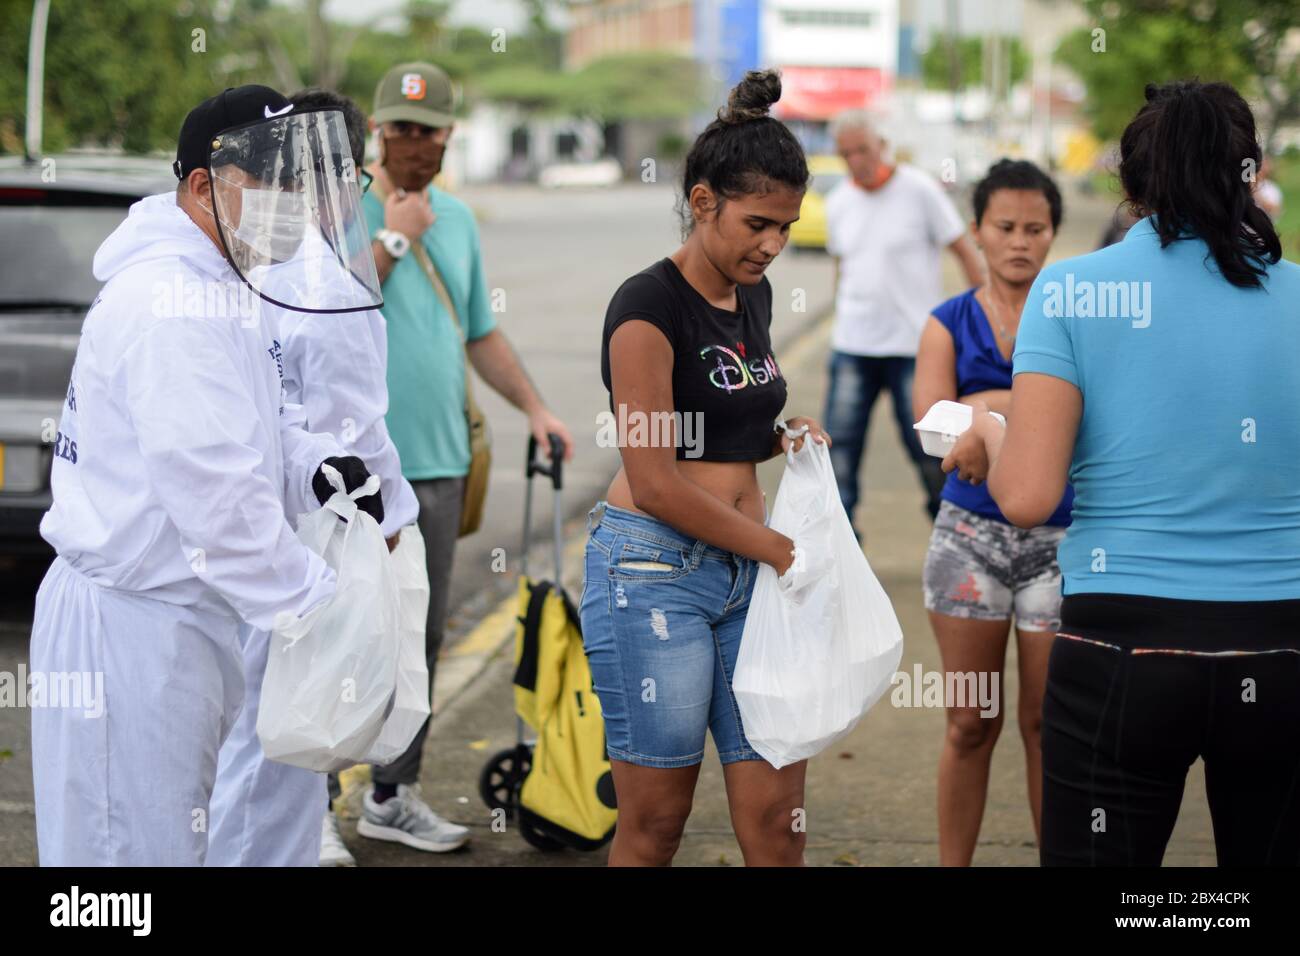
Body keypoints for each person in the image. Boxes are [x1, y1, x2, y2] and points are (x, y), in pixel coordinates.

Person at [943, 80, 1300, 866]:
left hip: (1122, 651)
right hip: (1281, 650)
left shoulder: (1071, 291)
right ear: (1254, 170)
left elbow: (1030, 497)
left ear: (1129, 185)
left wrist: (992, 429)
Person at [29, 85, 383, 866]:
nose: (297, 203)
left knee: (168, 839)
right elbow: (216, 492)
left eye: (304, 183)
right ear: (203, 187)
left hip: (179, 620)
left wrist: (315, 468)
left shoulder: (222, 280)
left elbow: (252, 427)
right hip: (135, 626)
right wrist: (320, 606)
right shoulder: (172, 302)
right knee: (125, 857)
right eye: (278, 184)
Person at [580, 69, 830, 867]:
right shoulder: (645, 309)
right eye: (759, 223)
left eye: (786, 227)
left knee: (776, 814)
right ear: (701, 202)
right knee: (655, 823)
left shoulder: (751, 293)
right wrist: (781, 551)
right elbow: (655, 478)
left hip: (748, 575)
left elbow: (728, 431)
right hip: (654, 575)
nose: (773, 244)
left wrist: (785, 434)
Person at [349, 61, 575, 853]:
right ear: (377, 132)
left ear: (448, 136)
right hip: (347, 473)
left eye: (424, 129)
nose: (409, 142)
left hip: (439, 465)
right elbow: (328, 308)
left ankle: (392, 792)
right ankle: (302, 806)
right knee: (335, 634)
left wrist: (537, 408)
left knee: (419, 639)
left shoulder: (462, 221)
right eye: (396, 128)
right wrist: (392, 240)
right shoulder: (341, 208)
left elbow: (479, 331)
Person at [206, 88, 422, 868]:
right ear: (336, 179)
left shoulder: (240, 270)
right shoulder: (327, 289)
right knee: (283, 746)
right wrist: (394, 529)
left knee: (249, 737)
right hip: (314, 542)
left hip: (248, 541)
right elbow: (353, 444)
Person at [913, 159, 1073, 866]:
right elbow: (932, 431)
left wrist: (981, 411)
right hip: (969, 545)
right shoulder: (946, 323)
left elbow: (1090, 420)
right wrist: (1019, 412)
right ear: (976, 231)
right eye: (1004, 227)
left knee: (1049, 726)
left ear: (1053, 235)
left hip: (1060, 542)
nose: (1019, 242)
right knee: (969, 725)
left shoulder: (1074, 318)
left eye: (1035, 229)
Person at [822, 110, 984, 531]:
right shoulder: (838, 202)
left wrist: (987, 316)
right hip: (853, 345)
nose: (856, 159)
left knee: (932, 454)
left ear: (882, 146)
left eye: (862, 149)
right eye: (846, 153)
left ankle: (951, 533)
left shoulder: (920, 191)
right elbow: (842, 267)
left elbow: (964, 252)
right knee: (838, 455)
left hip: (914, 348)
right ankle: (844, 549)